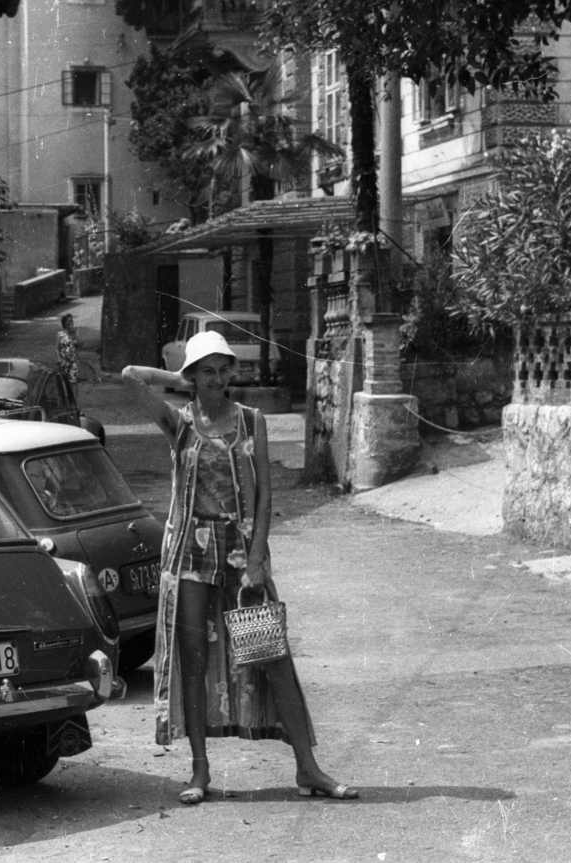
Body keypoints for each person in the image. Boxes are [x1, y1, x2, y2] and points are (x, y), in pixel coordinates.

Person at [121, 331, 358, 805]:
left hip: (238, 552)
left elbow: (266, 493)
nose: (218, 378)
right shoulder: (179, 423)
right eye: (207, 370)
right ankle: (199, 771)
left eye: (223, 369)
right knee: (193, 657)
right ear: (192, 376)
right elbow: (130, 377)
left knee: (270, 653)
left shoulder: (252, 421)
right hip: (190, 550)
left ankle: (308, 769)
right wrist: (187, 380)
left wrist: (255, 558)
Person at [56, 312, 79, 383]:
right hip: (64, 361)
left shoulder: (75, 333)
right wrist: (59, 358)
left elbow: (81, 346)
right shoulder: (60, 334)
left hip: (73, 361)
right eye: (69, 321)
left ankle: (73, 394)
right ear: (65, 323)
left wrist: (76, 336)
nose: (71, 323)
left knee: (73, 381)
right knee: (64, 382)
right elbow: (57, 348)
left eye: (72, 321)